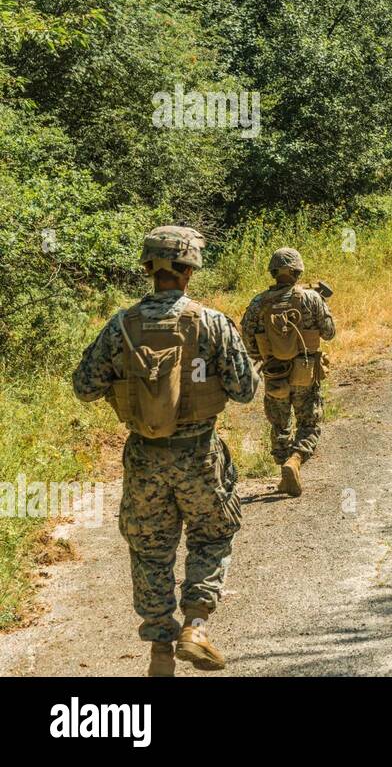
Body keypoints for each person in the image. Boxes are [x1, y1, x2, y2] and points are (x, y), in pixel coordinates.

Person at [72, 226, 258, 676]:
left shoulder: (120, 326)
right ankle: (195, 626)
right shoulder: (211, 323)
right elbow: (244, 391)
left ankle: (159, 647)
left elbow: (84, 387)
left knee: (150, 550)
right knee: (212, 535)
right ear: (189, 270)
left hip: (143, 460)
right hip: (200, 456)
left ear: (148, 268)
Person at [240, 248, 336, 497]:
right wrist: (320, 303)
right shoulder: (311, 299)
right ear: (298, 270)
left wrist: (268, 354)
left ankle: (284, 466)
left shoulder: (258, 303)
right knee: (309, 423)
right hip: (305, 372)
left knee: (280, 426)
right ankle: (295, 460)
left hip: (274, 374)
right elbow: (329, 333)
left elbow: (248, 342)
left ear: (273, 272)